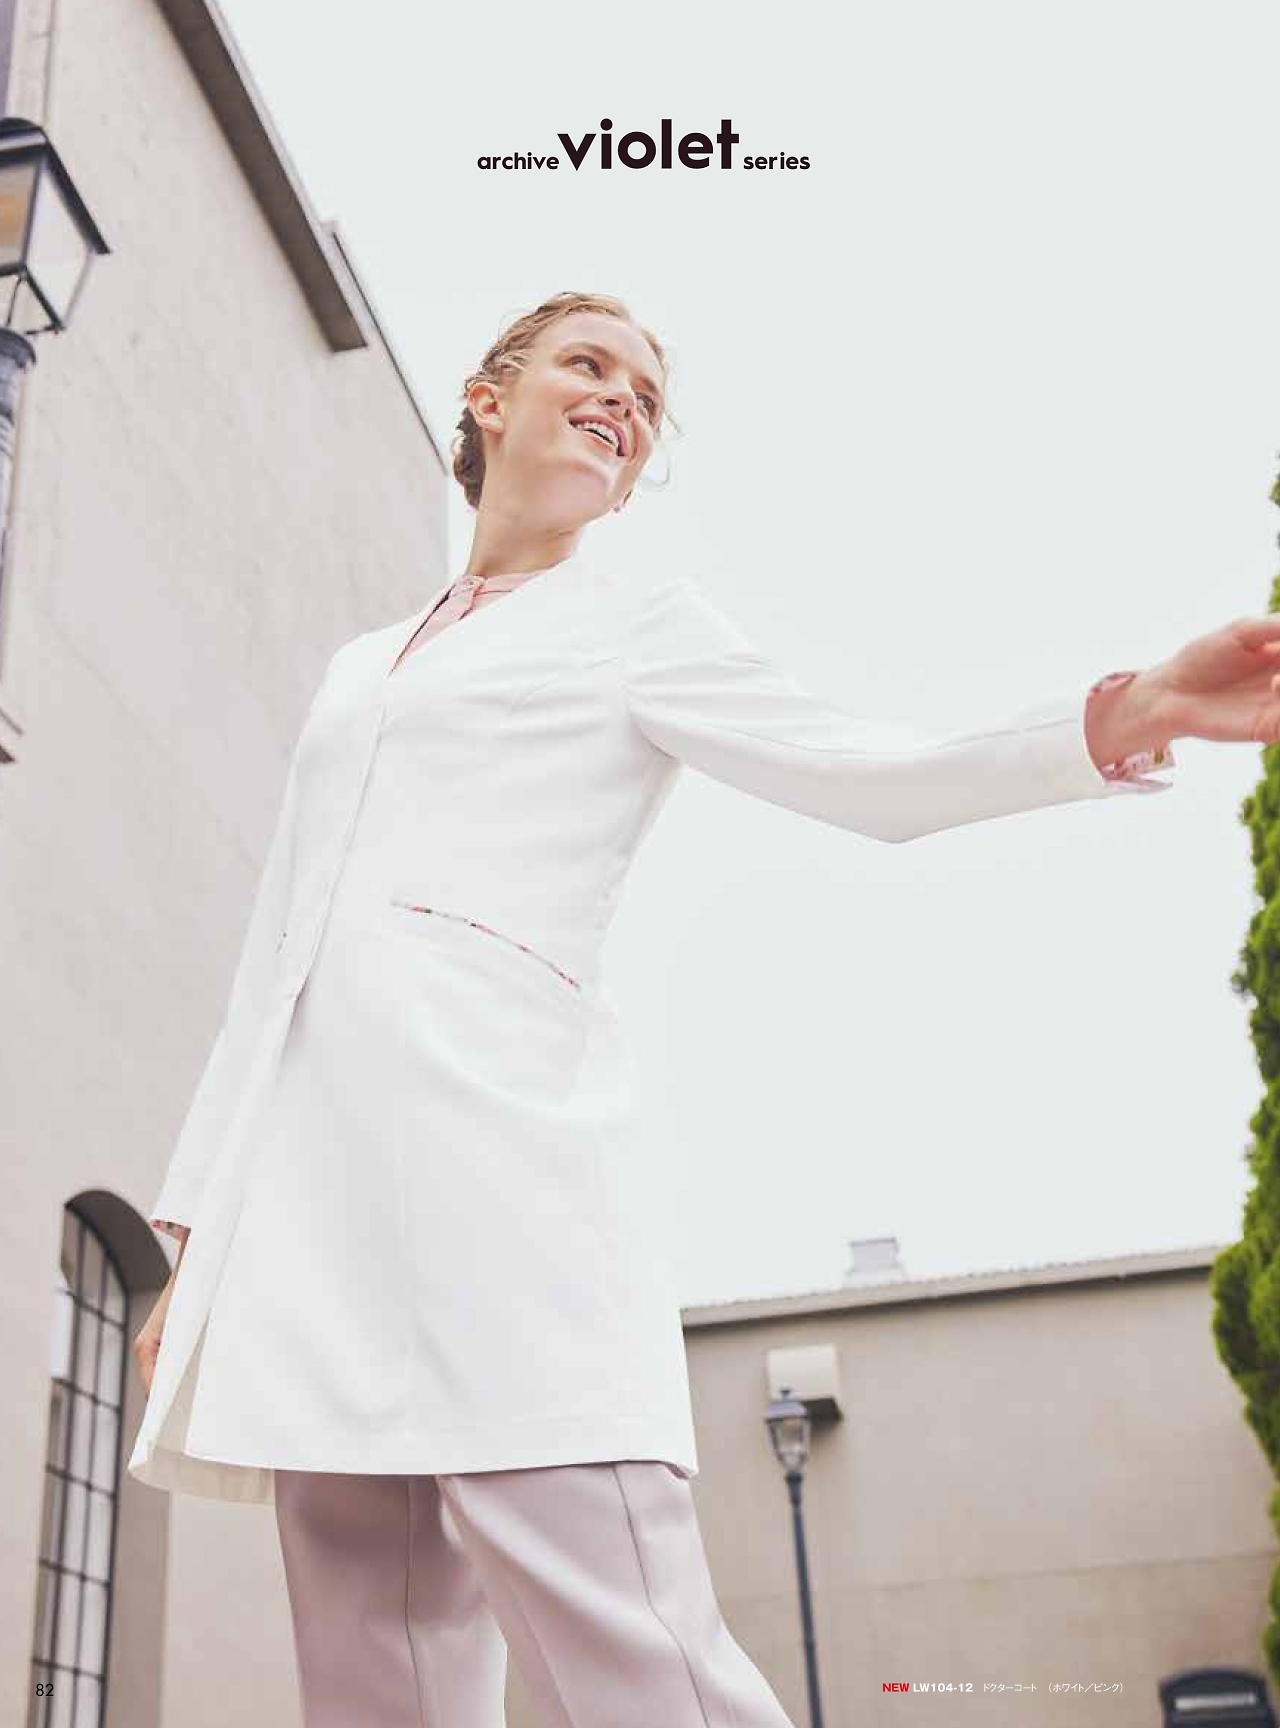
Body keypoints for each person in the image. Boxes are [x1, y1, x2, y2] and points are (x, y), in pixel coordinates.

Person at [129, 290, 1280, 1728]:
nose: (623, 397)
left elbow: (870, 772)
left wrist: (1133, 710)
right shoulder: (361, 669)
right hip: (319, 1228)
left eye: (646, 394)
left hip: (504, 1194)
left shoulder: (634, 625)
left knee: (644, 1669)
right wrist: (199, 1242)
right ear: (490, 397)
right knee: (371, 1680)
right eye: (589, 364)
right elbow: (276, 963)